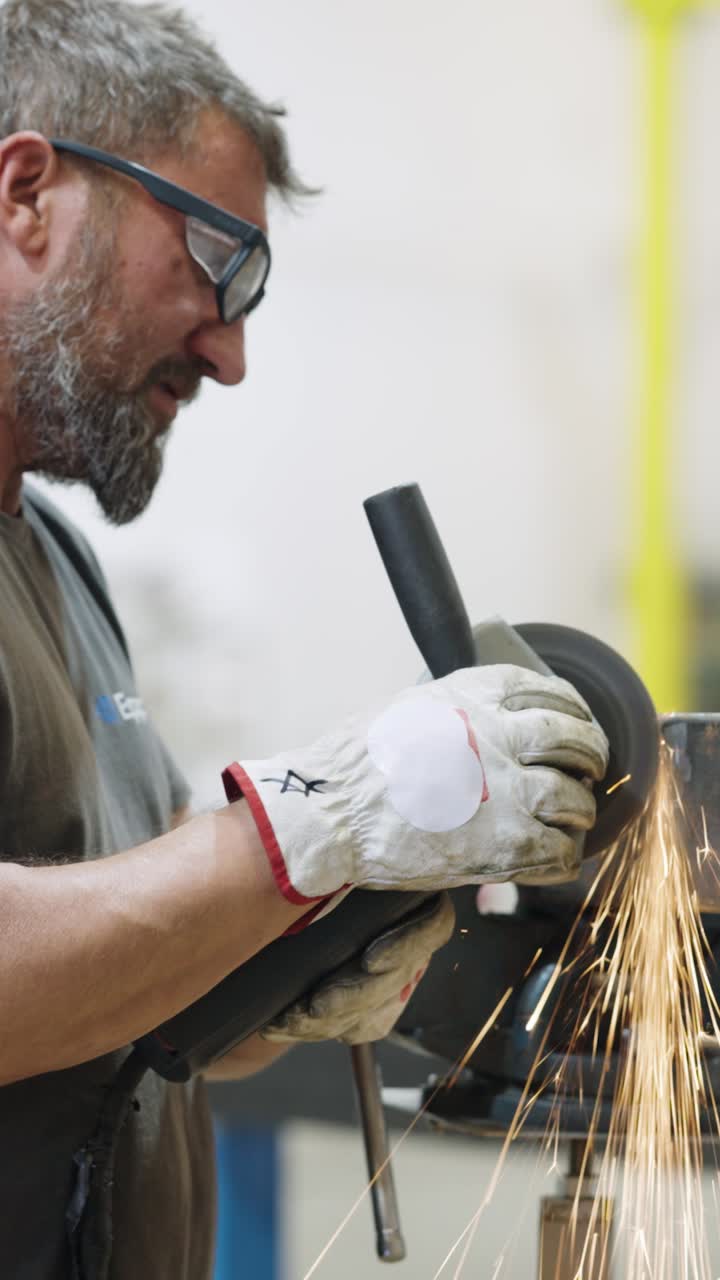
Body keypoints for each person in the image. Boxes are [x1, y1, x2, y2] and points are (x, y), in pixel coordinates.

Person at [0, 1, 610, 1276]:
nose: (229, 352)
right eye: (219, 260)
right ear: (26, 194)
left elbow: (126, 969)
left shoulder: (55, 568)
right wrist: (309, 824)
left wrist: (290, 961)